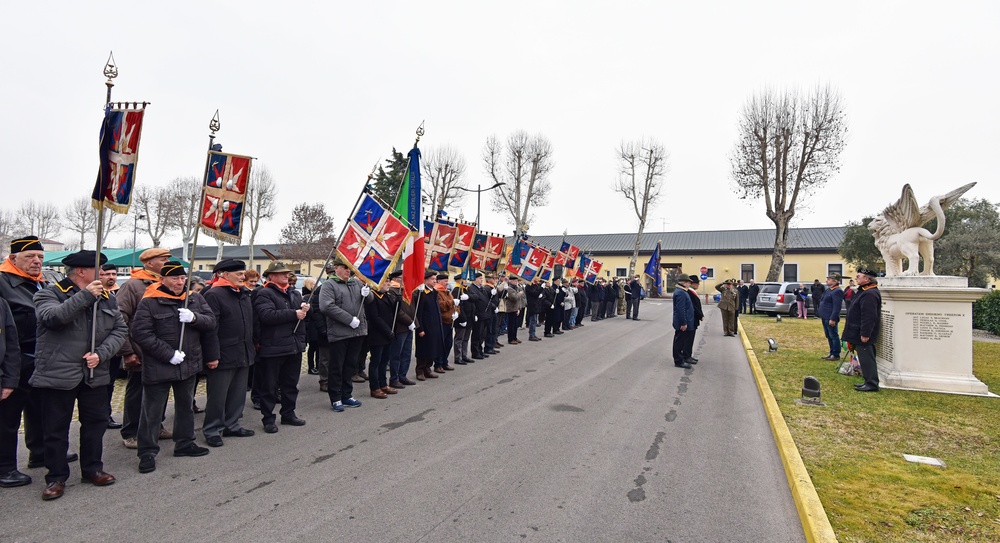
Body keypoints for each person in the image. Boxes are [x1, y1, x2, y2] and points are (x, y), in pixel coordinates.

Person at [30, 250, 128, 500]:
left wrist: (101, 354)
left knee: (95, 424)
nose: (105, 275)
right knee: (55, 428)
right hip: (58, 373)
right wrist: (86, 296)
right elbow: (53, 318)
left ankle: (93, 469)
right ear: (82, 272)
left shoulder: (107, 298)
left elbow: (120, 330)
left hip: (94, 372)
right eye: (100, 271)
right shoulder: (48, 293)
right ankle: (56, 477)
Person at [131, 261, 217, 474]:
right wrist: (168, 354)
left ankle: (185, 443)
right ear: (162, 280)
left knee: (185, 406)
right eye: (175, 279)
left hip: (188, 364)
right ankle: (147, 452)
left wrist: (194, 317)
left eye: (182, 278)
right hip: (160, 365)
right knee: (152, 411)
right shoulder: (149, 302)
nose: (180, 283)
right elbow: (141, 333)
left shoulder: (195, 298)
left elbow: (211, 322)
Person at [0, 236, 67, 489]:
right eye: (30, 257)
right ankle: (5, 467)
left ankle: (40, 453)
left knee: (40, 409)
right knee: (7, 418)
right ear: (13, 258)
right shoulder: (3, 281)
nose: (37, 261)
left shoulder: (45, 282)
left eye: (40, 257)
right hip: (14, 358)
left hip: (42, 357)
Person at [115, 247, 173, 450]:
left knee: (160, 392)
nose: (167, 263)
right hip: (140, 350)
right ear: (149, 263)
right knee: (137, 393)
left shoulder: (165, 284)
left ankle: (156, 426)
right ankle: (131, 432)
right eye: (163, 260)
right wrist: (127, 351)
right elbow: (120, 319)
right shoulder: (133, 286)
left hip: (162, 350)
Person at [201, 259, 256, 447]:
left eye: (243, 273)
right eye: (239, 274)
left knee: (238, 393)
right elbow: (210, 329)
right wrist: (212, 355)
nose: (243, 277)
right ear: (224, 274)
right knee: (218, 395)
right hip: (223, 353)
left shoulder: (243, 294)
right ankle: (212, 429)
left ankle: (232, 424)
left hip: (243, 351)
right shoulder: (214, 294)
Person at [253, 261, 309, 432]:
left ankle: (288, 413)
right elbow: (266, 315)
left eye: (287, 273)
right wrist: (294, 313)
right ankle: (268, 418)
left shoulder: (294, 293)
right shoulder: (264, 293)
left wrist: (306, 308)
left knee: (290, 384)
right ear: (271, 276)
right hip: (273, 347)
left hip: (293, 345)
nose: (287, 275)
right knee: (269, 386)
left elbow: (301, 316)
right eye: (282, 273)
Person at [318, 257, 372, 412]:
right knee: (337, 367)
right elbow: (327, 306)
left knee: (350, 365)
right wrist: (349, 320)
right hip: (340, 333)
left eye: (350, 268)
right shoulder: (329, 285)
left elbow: (369, 300)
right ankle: (335, 397)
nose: (349, 271)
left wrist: (367, 294)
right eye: (345, 268)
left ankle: (347, 395)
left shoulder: (355, 283)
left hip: (357, 332)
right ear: (336, 268)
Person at [843, 268, 882, 392]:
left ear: (866, 279)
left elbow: (869, 316)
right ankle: (868, 381)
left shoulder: (870, 294)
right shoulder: (864, 291)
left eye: (858, 276)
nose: (856, 278)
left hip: (863, 333)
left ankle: (872, 383)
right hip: (857, 331)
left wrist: (865, 333)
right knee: (864, 358)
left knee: (867, 358)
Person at [98, 264, 124, 429]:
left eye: (114, 274)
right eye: (107, 274)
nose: (111, 277)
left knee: (110, 383)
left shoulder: (118, 292)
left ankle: (106, 415)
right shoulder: (96, 293)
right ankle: (101, 415)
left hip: (115, 348)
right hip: (100, 347)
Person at [365, 281, 397, 398]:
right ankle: (374, 387)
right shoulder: (372, 296)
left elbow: (392, 312)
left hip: (388, 334)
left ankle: (383, 384)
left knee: (384, 361)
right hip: (377, 334)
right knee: (376, 362)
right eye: (386, 282)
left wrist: (397, 302)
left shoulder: (386, 296)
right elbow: (374, 317)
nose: (389, 284)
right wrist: (387, 331)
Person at [413, 271, 445, 381]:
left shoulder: (434, 292)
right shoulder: (421, 293)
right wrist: (420, 328)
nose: (435, 281)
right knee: (423, 349)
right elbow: (419, 312)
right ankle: (420, 370)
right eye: (432, 279)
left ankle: (428, 368)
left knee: (433, 348)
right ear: (425, 280)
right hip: (425, 326)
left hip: (434, 325)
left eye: (435, 279)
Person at [387, 271, 417, 387]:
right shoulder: (392, 291)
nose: (404, 280)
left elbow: (412, 308)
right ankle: (394, 379)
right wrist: (409, 322)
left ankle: (402, 376)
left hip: (409, 327)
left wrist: (415, 323)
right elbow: (397, 311)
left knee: (406, 354)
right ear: (396, 279)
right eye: (401, 278)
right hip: (399, 327)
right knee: (396, 355)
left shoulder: (406, 290)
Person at [816, 273, 845, 361]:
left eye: (829, 279)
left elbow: (837, 307)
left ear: (834, 281)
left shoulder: (837, 291)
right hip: (825, 316)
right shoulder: (829, 290)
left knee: (833, 335)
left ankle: (836, 354)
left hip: (830, 317)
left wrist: (833, 318)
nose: (826, 281)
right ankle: (832, 352)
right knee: (828, 335)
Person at [433, 274, 457, 373]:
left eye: (447, 281)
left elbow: (456, 305)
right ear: (439, 281)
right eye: (444, 281)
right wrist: (452, 302)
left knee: (448, 343)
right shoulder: (437, 292)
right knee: (441, 344)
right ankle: (438, 364)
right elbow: (441, 306)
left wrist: (457, 313)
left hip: (449, 321)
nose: (447, 283)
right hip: (442, 321)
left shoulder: (447, 292)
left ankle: (444, 362)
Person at [672, 274, 694, 369]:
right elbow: (681, 309)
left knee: (681, 341)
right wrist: (683, 323)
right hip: (682, 323)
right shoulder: (681, 292)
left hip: (684, 321)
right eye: (689, 282)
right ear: (684, 282)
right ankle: (678, 361)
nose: (690, 284)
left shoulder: (682, 291)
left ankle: (680, 359)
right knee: (679, 342)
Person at [451, 274, 473, 363]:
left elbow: (474, 298)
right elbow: (458, 306)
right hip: (461, 319)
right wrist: (462, 319)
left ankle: (464, 355)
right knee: (459, 339)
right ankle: (458, 357)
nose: (466, 281)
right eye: (464, 280)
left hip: (468, 318)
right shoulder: (457, 290)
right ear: (459, 280)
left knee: (466, 338)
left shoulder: (465, 289)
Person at [466, 273, 489, 359]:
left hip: (484, 314)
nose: (481, 280)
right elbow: (475, 299)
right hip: (478, 314)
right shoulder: (472, 288)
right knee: (477, 334)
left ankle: (480, 350)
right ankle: (475, 352)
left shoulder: (481, 288)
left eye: (481, 278)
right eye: (479, 278)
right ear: (474, 279)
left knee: (482, 334)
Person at [684, 275, 705, 365]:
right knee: (688, 338)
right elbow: (693, 307)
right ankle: (686, 356)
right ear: (692, 283)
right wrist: (700, 315)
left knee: (691, 338)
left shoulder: (692, 292)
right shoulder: (689, 292)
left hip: (694, 319)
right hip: (691, 319)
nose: (699, 284)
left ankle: (688, 355)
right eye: (697, 283)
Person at [302, 278, 320, 375]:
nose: (316, 286)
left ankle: (318, 365)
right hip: (311, 325)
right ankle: (311, 366)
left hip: (316, 325)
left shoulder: (315, 296)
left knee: (317, 347)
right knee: (313, 347)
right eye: (313, 284)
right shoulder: (307, 297)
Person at [505, 276, 525, 344]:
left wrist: (518, 308)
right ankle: (510, 339)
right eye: (515, 281)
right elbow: (515, 298)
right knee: (511, 325)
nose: (516, 282)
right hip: (511, 309)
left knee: (515, 325)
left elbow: (518, 300)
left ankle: (515, 337)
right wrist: (519, 294)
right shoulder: (509, 289)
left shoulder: (516, 288)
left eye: (516, 281)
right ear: (510, 281)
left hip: (516, 308)